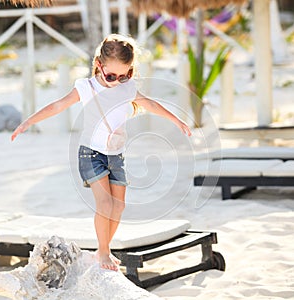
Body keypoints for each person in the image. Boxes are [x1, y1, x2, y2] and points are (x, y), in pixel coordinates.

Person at [11, 33, 191, 271]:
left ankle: (102, 249)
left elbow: (150, 104)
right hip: (91, 154)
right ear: (99, 65)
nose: (117, 81)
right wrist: (28, 122)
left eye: (125, 75)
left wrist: (177, 120)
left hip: (116, 155)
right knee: (105, 204)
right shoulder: (86, 87)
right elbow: (57, 105)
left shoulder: (128, 88)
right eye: (111, 75)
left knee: (119, 206)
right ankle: (104, 251)